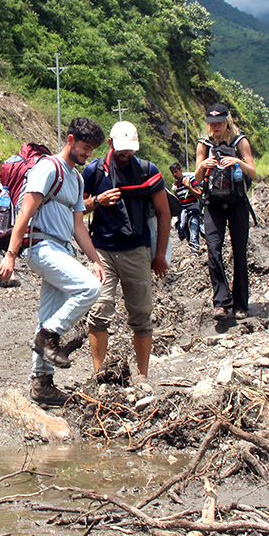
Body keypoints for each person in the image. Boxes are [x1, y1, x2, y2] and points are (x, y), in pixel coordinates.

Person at [0, 117, 108, 406]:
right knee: (89, 289)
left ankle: (42, 384)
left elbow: (79, 228)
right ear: (70, 139)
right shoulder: (48, 167)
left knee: (47, 315)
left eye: (92, 150)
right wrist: (10, 254)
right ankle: (50, 335)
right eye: (85, 147)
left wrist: (95, 260)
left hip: (62, 249)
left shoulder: (77, 178)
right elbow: (25, 212)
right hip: (40, 246)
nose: (88, 154)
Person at [81, 121, 170, 377]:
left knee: (141, 317)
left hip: (137, 250)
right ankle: (99, 375)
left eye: (130, 150)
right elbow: (77, 208)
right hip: (102, 252)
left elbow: (164, 213)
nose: (125, 154)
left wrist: (160, 254)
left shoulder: (147, 171)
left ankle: (143, 376)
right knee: (99, 312)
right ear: (110, 144)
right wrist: (98, 201)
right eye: (121, 149)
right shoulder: (94, 171)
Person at [194, 103, 256, 320]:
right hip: (213, 204)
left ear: (227, 121)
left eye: (219, 122)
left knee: (239, 252)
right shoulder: (204, 144)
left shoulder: (240, 141)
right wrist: (204, 166)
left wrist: (237, 161)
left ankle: (241, 304)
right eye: (212, 123)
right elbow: (197, 178)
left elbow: (253, 173)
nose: (216, 126)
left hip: (238, 203)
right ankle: (221, 302)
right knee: (213, 250)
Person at [169, 161, 202, 254]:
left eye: (176, 171)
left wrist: (188, 187)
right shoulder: (177, 185)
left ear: (181, 170)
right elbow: (178, 201)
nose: (175, 174)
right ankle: (193, 249)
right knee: (184, 230)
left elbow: (199, 194)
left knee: (194, 231)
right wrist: (175, 190)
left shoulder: (190, 180)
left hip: (194, 210)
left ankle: (195, 253)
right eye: (173, 173)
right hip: (184, 211)